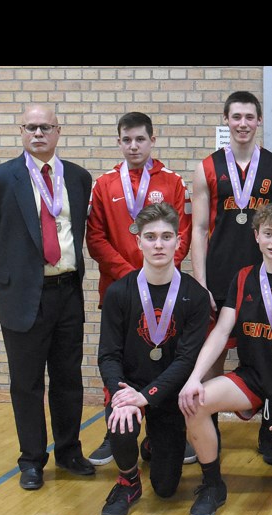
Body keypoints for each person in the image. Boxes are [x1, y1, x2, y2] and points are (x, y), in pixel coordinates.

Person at [0, 103, 95, 490]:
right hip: (23, 296)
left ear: (59, 131)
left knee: (68, 378)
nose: (38, 134)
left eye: (46, 127)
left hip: (68, 292)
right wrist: (5, 275)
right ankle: (32, 459)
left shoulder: (78, 177)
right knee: (26, 383)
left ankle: (70, 451)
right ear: (21, 131)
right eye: (31, 127)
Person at [178, 203, 272, 515]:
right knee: (196, 401)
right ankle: (212, 484)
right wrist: (195, 377)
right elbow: (221, 331)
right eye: (268, 234)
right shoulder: (244, 278)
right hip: (254, 379)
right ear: (256, 236)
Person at [86, 111, 194, 467]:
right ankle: (117, 429)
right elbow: (96, 238)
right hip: (119, 290)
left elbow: (184, 234)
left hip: (166, 293)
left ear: (152, 139)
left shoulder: (173, 181)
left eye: (140, 139)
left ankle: (172, 430)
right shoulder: (104, 185)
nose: (134, 146)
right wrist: (132, 276)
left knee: (167, 356)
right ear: (119, 142)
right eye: (127, 139)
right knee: (118, 358)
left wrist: (156, 271)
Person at [190, 91, 272, 466]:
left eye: (250, 117)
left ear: (259, 120)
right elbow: (199, 228)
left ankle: (270, 428)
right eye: (236, 117)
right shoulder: (207, 168)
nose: (243, 123)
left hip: (263, 280)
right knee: (212, 355)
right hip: (218, 277)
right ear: (227, 120)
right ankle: (208, 430)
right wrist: (200, 283)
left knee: (265, 355)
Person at [97, 203, 210, 515]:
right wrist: (122, 394)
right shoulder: (119, 293)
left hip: (168, 394)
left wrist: (146, 397)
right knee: (120, 423)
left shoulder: (195, 296)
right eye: (150, 237)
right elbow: (107, 355)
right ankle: (128, 481)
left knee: (166, 488)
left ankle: (152, 446)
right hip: (128, 388)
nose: (158, 244)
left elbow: (188, 360)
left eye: (166, 236)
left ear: (178, 241)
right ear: (138, 242)